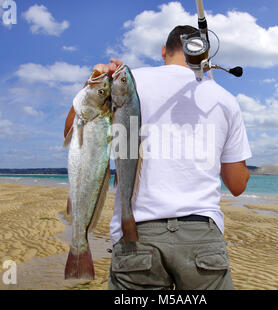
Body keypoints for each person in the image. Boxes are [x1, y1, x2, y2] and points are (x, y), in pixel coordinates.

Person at [64, 25, 251, 290]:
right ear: (203, 57)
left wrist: (92, 80)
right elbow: (237, 185)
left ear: (164, 50)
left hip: (136, 236)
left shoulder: (126, 80)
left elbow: (73, 129)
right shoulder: (225, 100)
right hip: (202, 238)